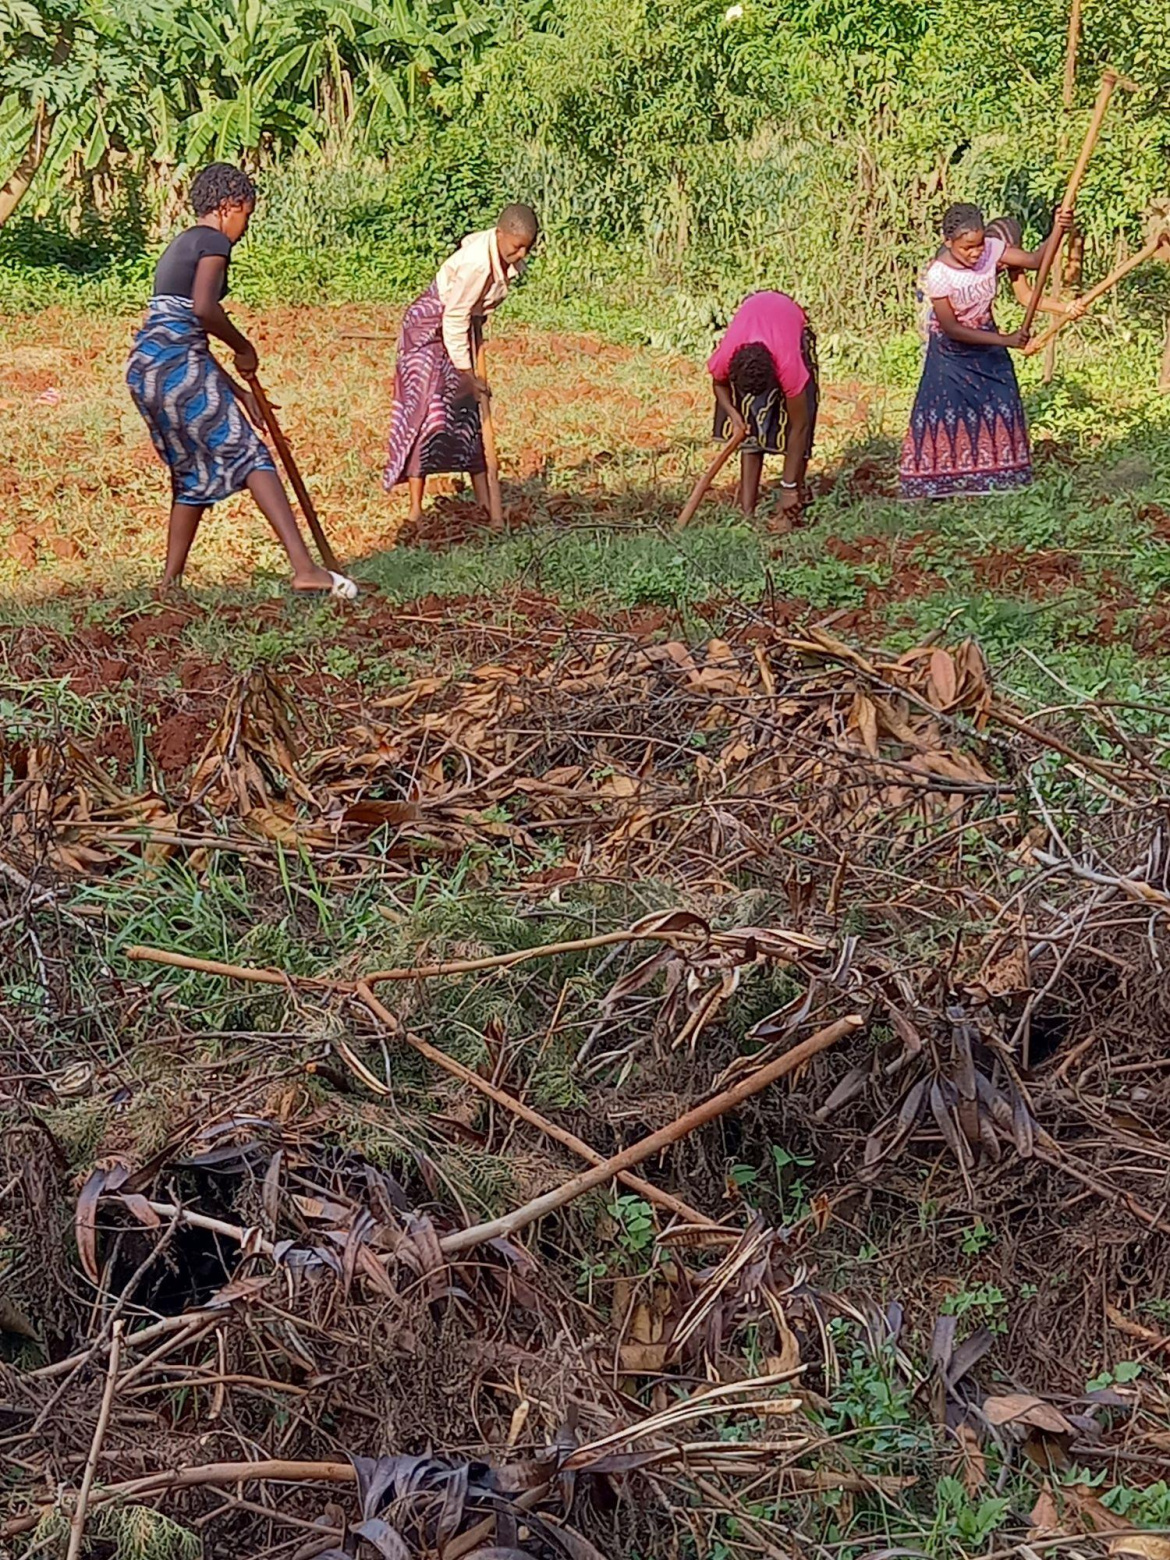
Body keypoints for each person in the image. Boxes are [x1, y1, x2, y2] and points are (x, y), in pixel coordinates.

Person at [126, 163, 357, 599]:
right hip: (177, 366)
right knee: (251, 455)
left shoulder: (180, 244)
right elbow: (203, 310)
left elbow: (185, 338)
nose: (244, 228)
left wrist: (238, 392)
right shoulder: (212, 241)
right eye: (246, 216)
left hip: (149, 371)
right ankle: (305, 568)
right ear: (228, 206)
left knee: (191, 474)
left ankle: (169, 585)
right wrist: (243, 346)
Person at [899, 202, 1073, 501]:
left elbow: (1035, 260)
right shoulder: (939, 274)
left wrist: (1059, 227)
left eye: (979, 245)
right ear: (948, 242)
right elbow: (952, 328)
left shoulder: (992, 249)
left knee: (1004, 399)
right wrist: (1006, 340)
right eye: (967, 248)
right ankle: (941, 481)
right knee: (947, 411)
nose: (976, 253)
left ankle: (1002, 475)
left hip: (987, 341)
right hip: (951, 354)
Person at [383, 204, 539, 523]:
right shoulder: (476, 264)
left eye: (527, 247)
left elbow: (472, 305)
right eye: (516, 246)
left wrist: (476, 325)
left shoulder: (502, 254)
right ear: (500, 234)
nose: (521, 254)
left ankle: (485, 503)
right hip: (428, 331)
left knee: (468, 409)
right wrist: (467, 373)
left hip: (460, 327)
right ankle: (415, 510)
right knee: (428, 411)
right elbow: (453, 316)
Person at [707, 290, 817, 520]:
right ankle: (747, 513)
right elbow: (718, 384)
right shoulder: (726, 356)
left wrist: (788, 489)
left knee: (797, 423)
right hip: (754, 317)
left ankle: (790, 506)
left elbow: (800, 426)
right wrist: (734, 414)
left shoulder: (789, 367)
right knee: (751, 430)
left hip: (788, 322)